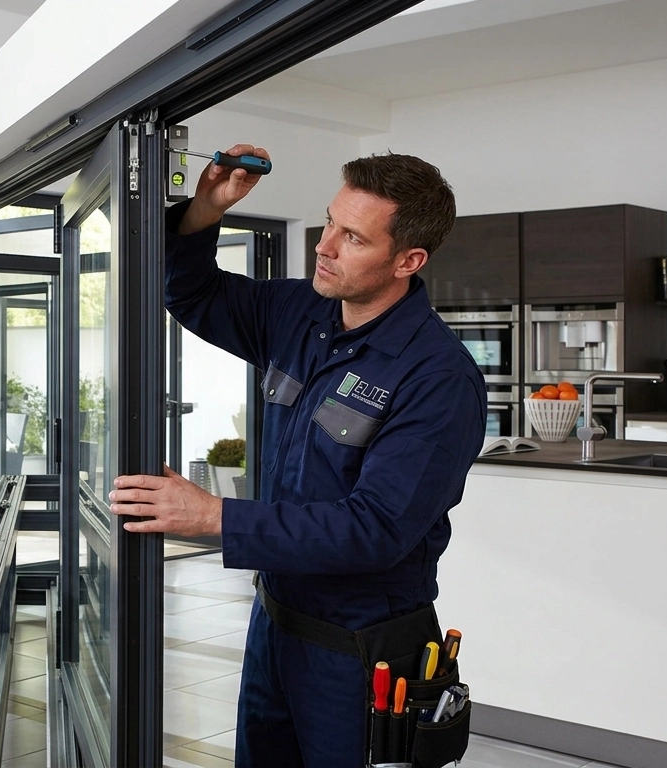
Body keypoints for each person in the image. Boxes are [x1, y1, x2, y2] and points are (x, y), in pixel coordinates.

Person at [109, 147, 486, 766]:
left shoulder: (438, 378)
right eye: (330, 222)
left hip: (362, 654)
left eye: (353, 237)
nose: (324, 246)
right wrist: (205, 209)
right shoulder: (299, 313)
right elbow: (190, 292)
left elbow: (375, 529)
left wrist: (214, 516)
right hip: (275, 625)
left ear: (408, 261)